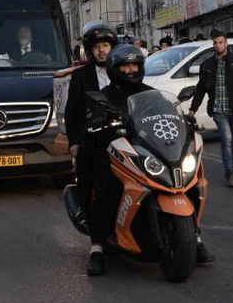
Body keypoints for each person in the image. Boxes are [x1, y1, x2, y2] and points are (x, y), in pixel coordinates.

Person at [82, 45, 213, 275]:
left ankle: (196, 238)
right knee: (107, 187)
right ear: (115, 69)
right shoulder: (104, 97)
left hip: (149, 153)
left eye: (135, 65)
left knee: (191, 180)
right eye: (125, 66)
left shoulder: (150, 93)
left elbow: (168, 117)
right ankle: (97, 247)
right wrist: (99, 123)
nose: (131, 70)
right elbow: (93, 119)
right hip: (117, 152)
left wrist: (185, 121)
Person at [65, 21, 117, 229]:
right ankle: (85, 210)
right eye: (97, 47)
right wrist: (74, 142)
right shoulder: (80, 77)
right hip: (94, 136)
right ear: (90, 51)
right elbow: (73, 113)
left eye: (105, 46)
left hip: (125, 136)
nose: (102, 51)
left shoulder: (124, 71)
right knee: (88, 168)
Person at [188, 31, 233, 188]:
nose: (218, 45)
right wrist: (193, 109)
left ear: (226, 43)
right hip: (218, 109)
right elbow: (201, 88)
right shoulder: (207, 65)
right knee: (227, 139)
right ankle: (229, 171)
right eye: (215, 43)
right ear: (213, 45)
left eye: (221, 42)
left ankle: (230, 166)